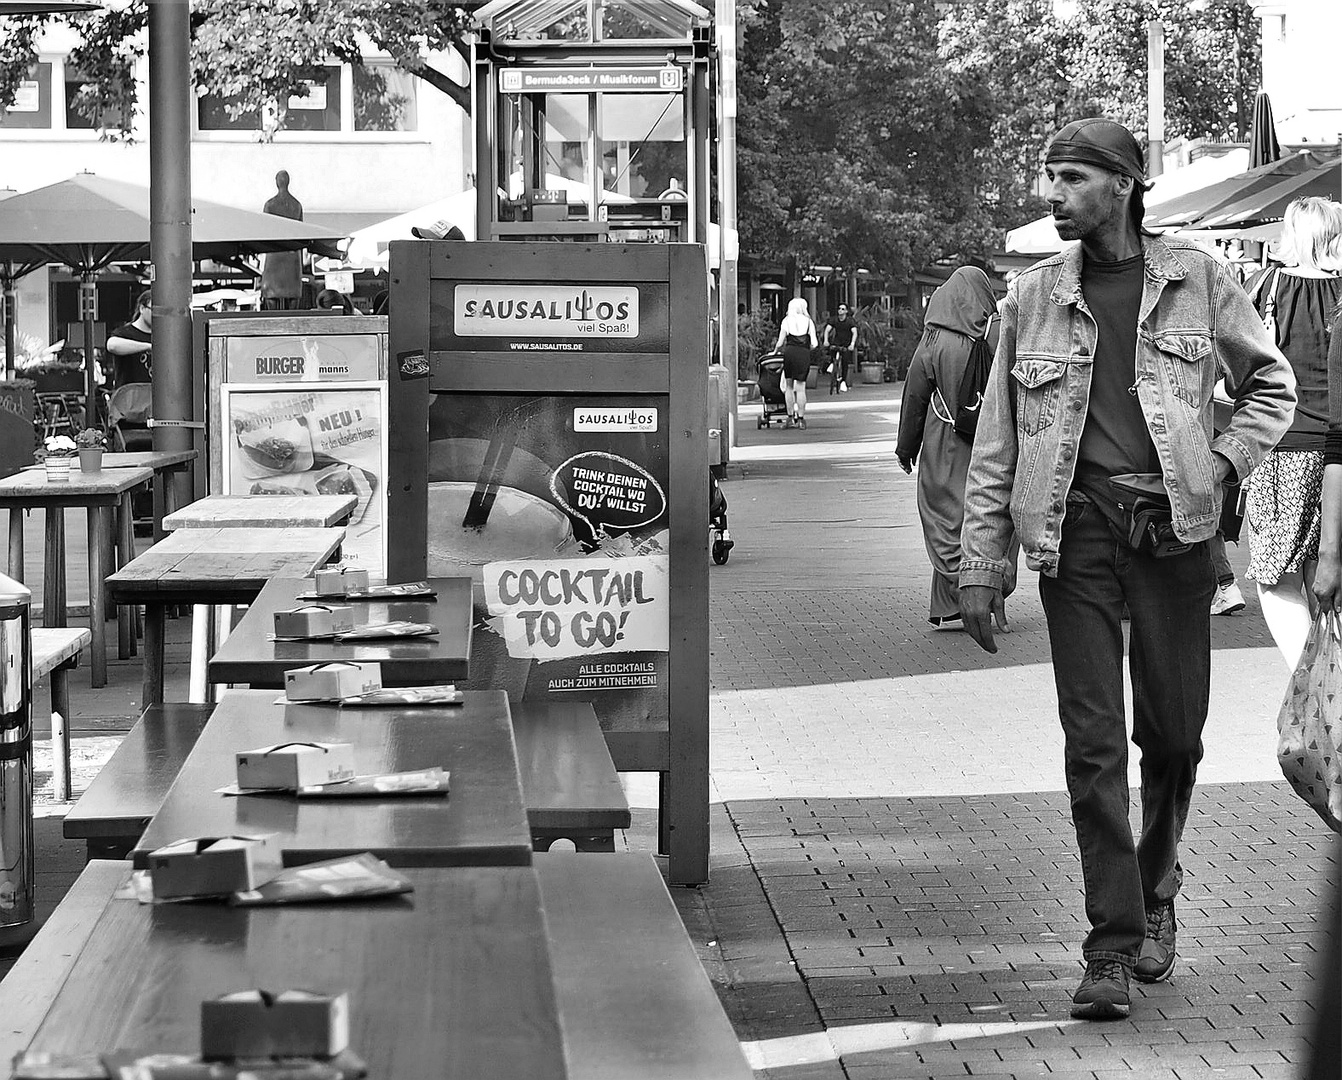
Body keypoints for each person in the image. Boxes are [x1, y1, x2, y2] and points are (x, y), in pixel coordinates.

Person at [959, 117, 1296, 1022]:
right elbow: (998, 442)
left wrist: (1222, 462)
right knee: (1094, 745)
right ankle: (1110, 942)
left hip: (1175, 536)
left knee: (1176, 737)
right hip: (1075, 541)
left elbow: (1273, 385)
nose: (1052, 194)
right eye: (1049, 175)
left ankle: (1157, 886)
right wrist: (979, 564)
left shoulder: (1199, 278)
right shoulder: (1027, 299)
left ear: (1122, 185)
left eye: (1070, 178)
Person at [1241, 197, 1342, 668]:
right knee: (1332, 573)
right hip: (1337, 453)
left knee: (1277, 580)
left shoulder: (1263, 287)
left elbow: (1237, 375)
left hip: (1282, 451)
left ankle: (1312, 688)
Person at [897, 266, 1015, 626]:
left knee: (946, 518)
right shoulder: (995, 336)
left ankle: (972, 582)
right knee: (980, 517)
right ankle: (962, 599)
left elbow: (915, 396)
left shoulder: (934, 340)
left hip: (943, 443)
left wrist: (907, 448)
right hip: (990, 442)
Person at [261, 170, 304, 311]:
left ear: (277, 182)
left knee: (271, 296)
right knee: (293, 297)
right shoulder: (296, 205)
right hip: (292, 256)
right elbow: (301, 234)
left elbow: (264, 231)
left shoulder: (270, 205)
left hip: (274, 254)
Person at [773, 297, 817, 429]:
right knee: (801, 387)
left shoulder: (786, 321)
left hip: (790, 353)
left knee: (789, 386)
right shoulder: (809, 322)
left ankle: (790, 417)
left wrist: (774, 351)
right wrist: (806, 347)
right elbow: (815, 343)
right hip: (803, 354)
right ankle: (801, 419)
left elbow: (780, 342)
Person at [105, 288, 153, 386]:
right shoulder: (125, 333)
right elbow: (112, 345)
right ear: (142, 308)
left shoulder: (164, 336)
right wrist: (148, 346)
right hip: (130, 398)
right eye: (153, 310)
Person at [824, 302, 858, 393]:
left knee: (845, 361)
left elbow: (854, 332)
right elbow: (827, 330)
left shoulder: (850, 321)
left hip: (847, 343)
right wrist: (826, 340)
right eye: (839, 308)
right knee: (831, 348)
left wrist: (852, 344)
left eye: (843, 309)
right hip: (837, 341)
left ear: (846, 311)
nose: (840, 310)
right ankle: (832, 363)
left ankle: (843, 381)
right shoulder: (834, 320)